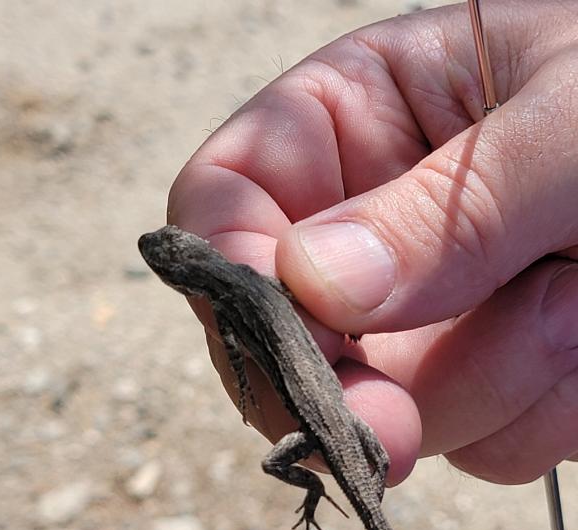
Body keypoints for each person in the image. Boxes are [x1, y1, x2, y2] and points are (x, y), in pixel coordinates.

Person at [166, 1, 578, 486]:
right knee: (391, 439)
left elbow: (239, 354)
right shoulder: (243, 281)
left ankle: (329, 497)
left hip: (331, 398)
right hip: (334, 401)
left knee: (381, 439)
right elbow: (245, 343)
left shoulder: (237, 295)